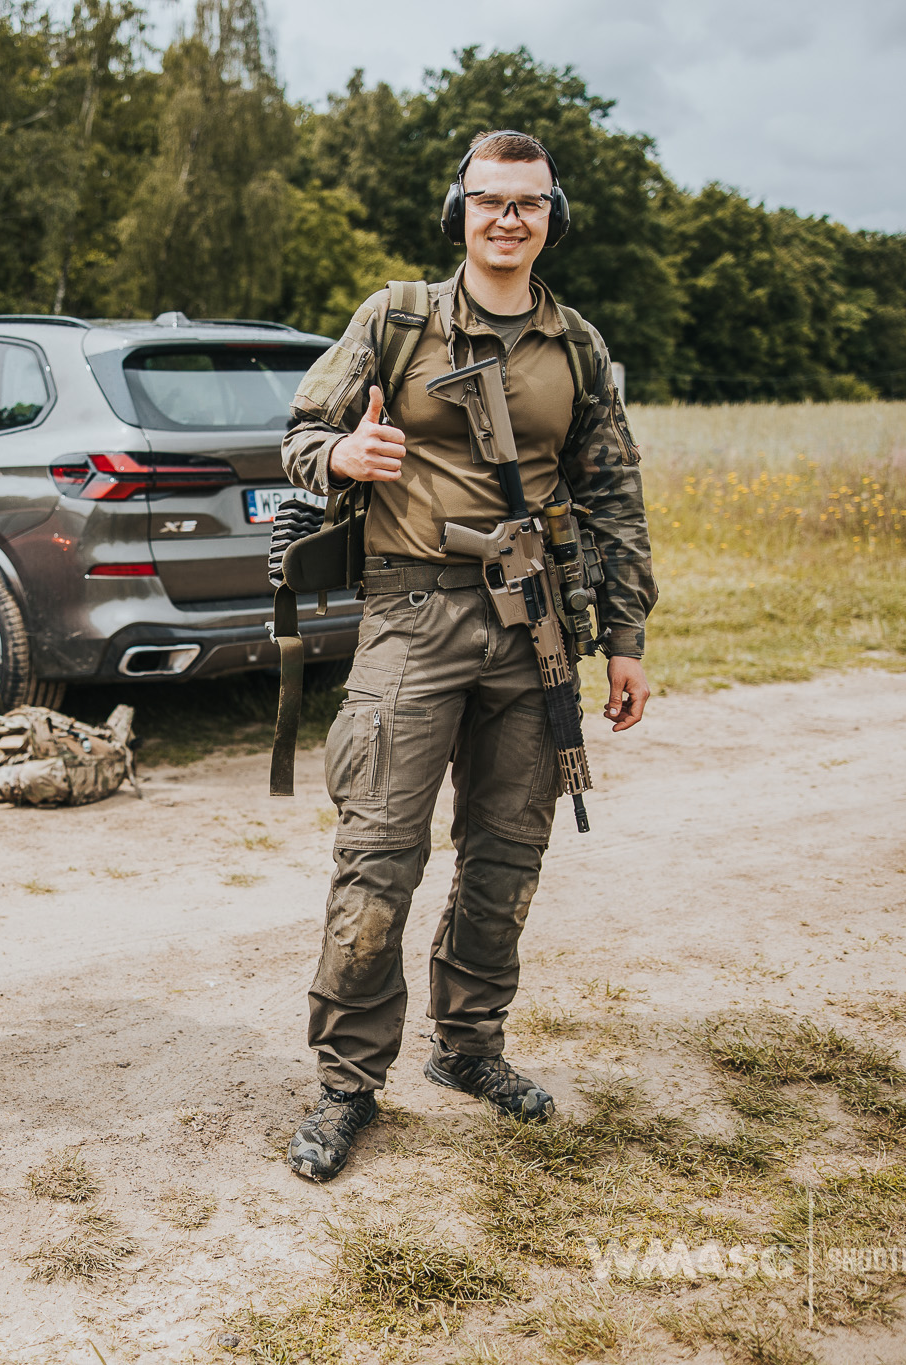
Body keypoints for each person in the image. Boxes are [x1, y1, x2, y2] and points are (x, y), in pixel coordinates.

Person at [279, 130, 658, 1178]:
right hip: (409, 615)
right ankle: (346, 1083)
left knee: (505, 855)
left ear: (550, 217)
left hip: (532, 629)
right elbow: (297, 440)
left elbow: (612, 493)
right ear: (460, 212)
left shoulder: (573, 345)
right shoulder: (395, 317)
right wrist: (342, 457)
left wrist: (622, 638)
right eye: (489, 200)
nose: (507, 219)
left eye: (527, 203)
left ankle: (469, 1047)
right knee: (377, 857)